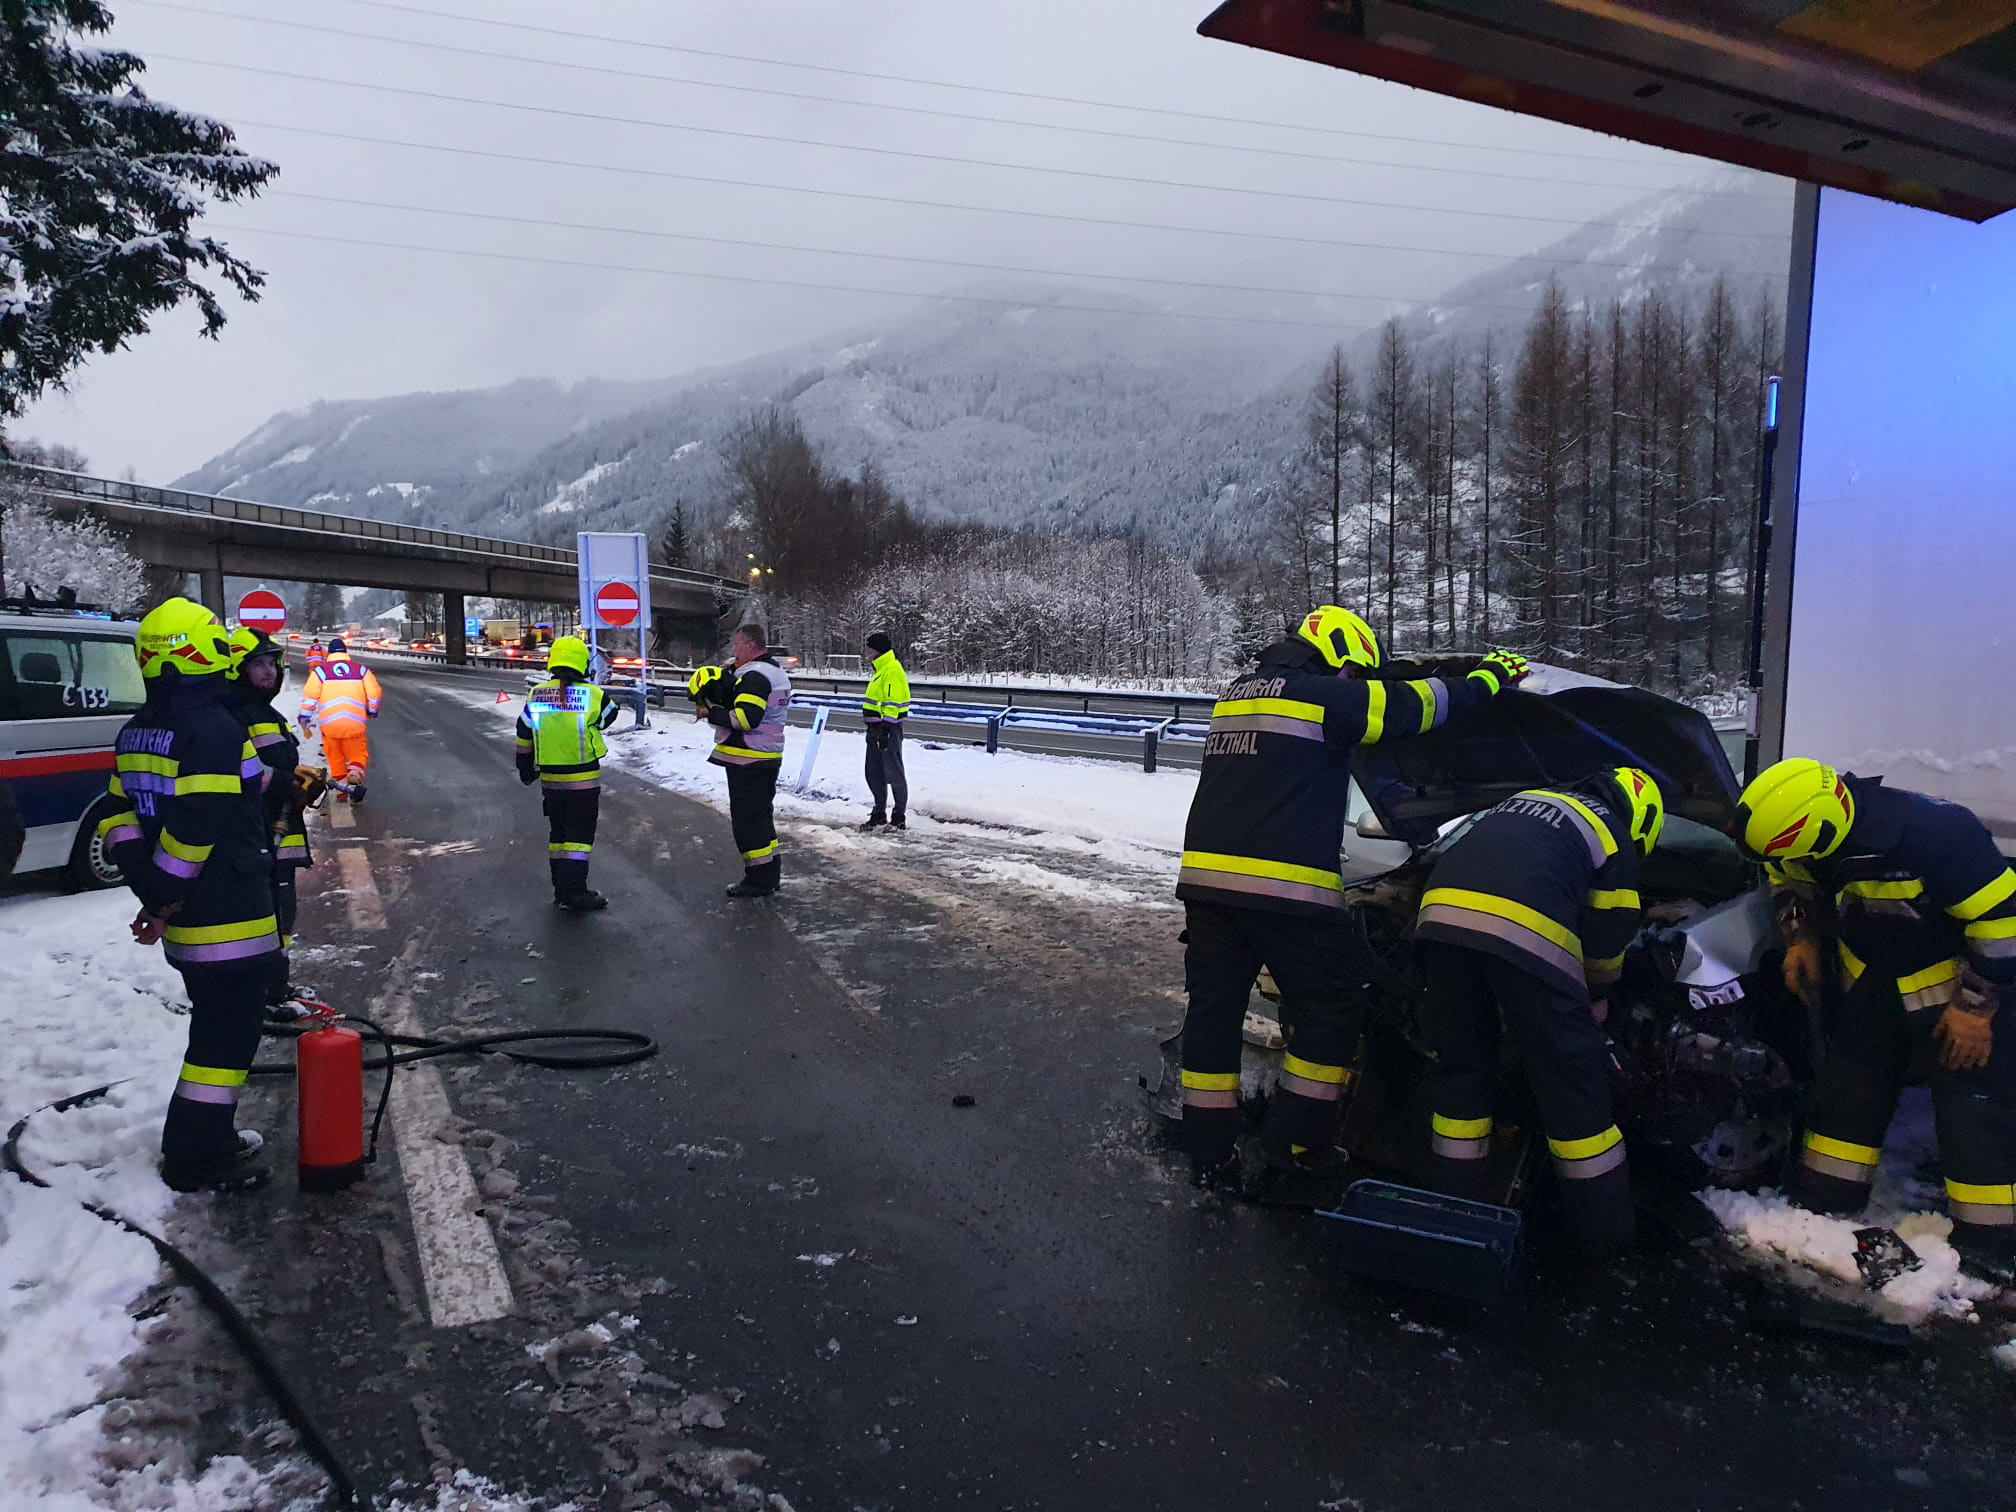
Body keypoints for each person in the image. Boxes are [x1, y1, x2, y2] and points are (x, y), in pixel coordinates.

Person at [1175, 605, 1530, 1190]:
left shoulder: (1237, 694)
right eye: (1356, 674)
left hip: (1209, 888)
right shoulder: (1326, 699)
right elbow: (1417, 709)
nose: (1356, 684)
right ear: (1339, 658)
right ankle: (1293, 1147)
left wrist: (1388, 674)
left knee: (1213, 1015)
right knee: (1333, 1007)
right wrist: (1488, 679)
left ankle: (1209, 1154)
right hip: (1285, 892)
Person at [1737, 758, 2016, 1260]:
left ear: (1822, 829)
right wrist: (1799, 937)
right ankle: (1822, 1210)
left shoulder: (1938, 834)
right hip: (1868, 979)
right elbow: (1786, 873)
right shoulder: (1799, 831)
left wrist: (1974, 1010)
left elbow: (2003, 925)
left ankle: (1989, 1249)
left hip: (1952, 988)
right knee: (1847, 1095)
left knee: (1971, 1113)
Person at [1413, 767, 1665, 1255]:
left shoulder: (1529, 798)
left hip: (1438, 922)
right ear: (1643, 820)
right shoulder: (1611, 832)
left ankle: (1453, 1207)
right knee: (1573, 1088)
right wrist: (1597, 1002)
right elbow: (1605, 946)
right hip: (1524, 934)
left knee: (1462, 1069)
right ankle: (1604, 1236)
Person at [98, 598, 283, 1192]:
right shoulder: (209, 728)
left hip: (188, 914)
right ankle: (197, 1158)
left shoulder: (138, 730)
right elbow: (202, 818)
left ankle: (209, 1138)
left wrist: (149, 888)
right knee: (223, 1043)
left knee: (215, 1031)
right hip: (226, 913)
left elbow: (118, 814)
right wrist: (166, 893)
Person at [222, 627, 319, 1007]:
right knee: (272, 915)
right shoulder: (238, 712)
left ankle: (276, 986)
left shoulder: (260, 710)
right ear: (237, 669)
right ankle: (268, 992)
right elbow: (243, 774)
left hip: (276, 834)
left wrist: (296, 779)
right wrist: (289, 783)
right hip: (261, 836)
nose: (269, 672)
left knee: (283, 914)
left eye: (271, 663)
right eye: (258, 664)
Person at [516, 635, 620, 912]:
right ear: (582, 664)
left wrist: (525, 768)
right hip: (583, 781)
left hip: (551, 781)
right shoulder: (594, 695)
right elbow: (610, 716)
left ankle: (561, 889)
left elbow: (524, 734)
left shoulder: (536, 694)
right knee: (578, 838)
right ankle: (575, 892)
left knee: (559, 835)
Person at [687, 623, 792, 898]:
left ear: (749, 645)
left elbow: (745, 719)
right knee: (760, 819)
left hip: (749, 758)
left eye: (737, 646)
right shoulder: (772, 671)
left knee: (748, 823)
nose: (734, 652)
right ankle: (769, 874)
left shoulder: (754, 676)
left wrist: (711, 713)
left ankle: (758, 881)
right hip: (764, 756)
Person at [297, 635, 382, 802]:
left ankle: (341, 790)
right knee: (357, 753)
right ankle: (355, 773)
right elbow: (375, 692)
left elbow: (310, 697)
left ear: (329, 653)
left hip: (330, 726)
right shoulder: (360, 670)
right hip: (354, 723)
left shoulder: (320, 672)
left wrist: (305, 716)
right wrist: (372, 710)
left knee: (334, 756)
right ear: (345, 652)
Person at [861, 630, 912, 831]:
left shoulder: (891, 670)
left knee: (894, 772)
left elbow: (893, 702)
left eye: (870, 650)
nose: (867, 654)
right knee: (874, 773)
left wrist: (887, 729)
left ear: (878, 651)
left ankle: (899, 816)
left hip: (886, 729)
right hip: (875, 728)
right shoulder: (882, 670)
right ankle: (879, 812)